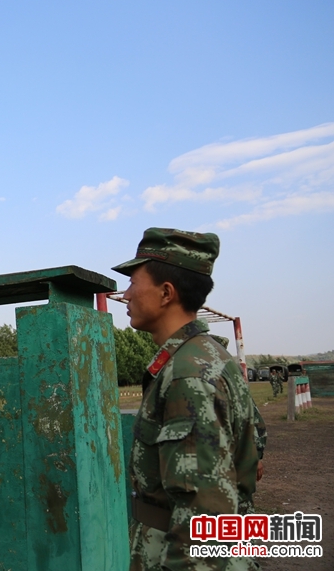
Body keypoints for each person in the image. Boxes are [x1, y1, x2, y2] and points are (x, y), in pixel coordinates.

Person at [113, 228, 264, 571]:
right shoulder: (211, 357)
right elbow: (254, 452)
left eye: (134, 283)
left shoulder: (188, 375)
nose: (125, 295)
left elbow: (203, 511)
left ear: (166, 293)